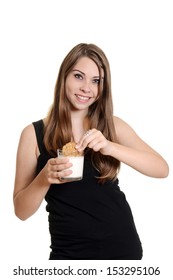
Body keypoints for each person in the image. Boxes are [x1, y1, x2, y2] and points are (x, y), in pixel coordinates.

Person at [13, 43, 169, 260]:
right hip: (68, 254)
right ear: (64, 77)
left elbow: (161, 169)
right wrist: (43, 179)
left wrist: (110, 147)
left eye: (96, 81)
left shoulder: (112, 126)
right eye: (79, 76)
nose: (87, 87)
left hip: (122, 251)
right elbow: (21, 212)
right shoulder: (33, 134)